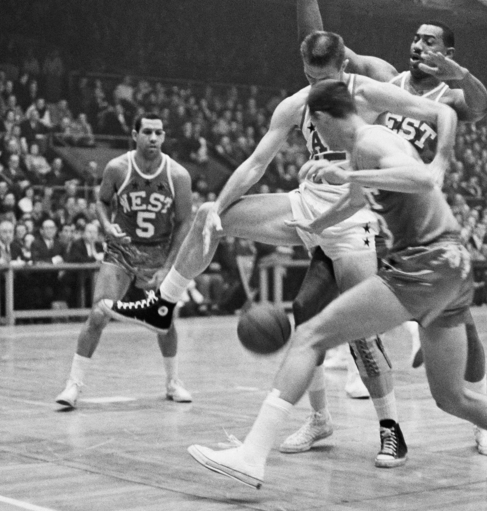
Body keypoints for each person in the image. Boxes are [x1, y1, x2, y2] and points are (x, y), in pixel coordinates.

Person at [186, 80, 487, 493]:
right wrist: (314, 224)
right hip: (452, 267)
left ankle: (252, 455)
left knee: (309, 335)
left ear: (322, 118)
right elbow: (355, 200)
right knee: (452, 397)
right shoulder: (359, 150)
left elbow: (421, 179)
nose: (315, 139)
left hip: (424, 265)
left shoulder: (373, 140)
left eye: (314, 127)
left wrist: (347, 172)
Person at [101, 31, 458, 468]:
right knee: (212, 216)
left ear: (344, 67)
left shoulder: (368, 92)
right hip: (308, 208)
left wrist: (440, 161)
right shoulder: (295, 104)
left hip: (352, 217)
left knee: (360, 333)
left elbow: (443, 112)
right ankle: (164, 303)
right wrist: (221, 205)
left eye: (324, 78)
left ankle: (391, 430)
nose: (316, 88)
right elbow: (255, 163)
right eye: (310, 77)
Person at [295, 0, 487, 455]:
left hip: (418, 213)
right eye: (416, 38)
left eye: (430, 41)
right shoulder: (384, 77)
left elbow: (481, 106)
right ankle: (330, 406)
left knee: (463, 326)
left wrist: (462, 76)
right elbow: (324, 49)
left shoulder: (448, 97)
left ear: (447, 52)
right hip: (371, 208)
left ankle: (483, 419)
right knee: (317, 305)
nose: (419, 45)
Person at [54, 113, 193, 408]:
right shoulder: (118, 167)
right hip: (122, 251)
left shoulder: (178, 175)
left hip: (158, 253)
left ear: (164, 136)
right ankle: (73, 384)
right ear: (134, 134)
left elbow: (184, 222)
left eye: (158, 133)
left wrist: (168, 265)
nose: (153, 138)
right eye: (147, 132)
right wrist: (106, 226)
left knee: (165, 321)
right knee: (98, 313)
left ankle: (173, 381)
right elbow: (102, 201)